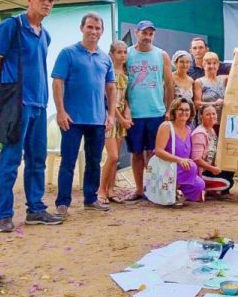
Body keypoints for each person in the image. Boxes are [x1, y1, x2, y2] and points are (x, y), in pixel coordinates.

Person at [0, 0, 64, 232]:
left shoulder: (45, 34)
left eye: (52, 0)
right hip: (17, 105)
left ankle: (36, 210)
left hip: (39, 105)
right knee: (10, 160)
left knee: (37, 160)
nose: (48, 3)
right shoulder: (11, 26)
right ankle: (3, 215)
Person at [51, 12, 116, 217]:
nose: (93, 32)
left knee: (94, 161)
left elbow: (111, 87)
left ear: (102, 31)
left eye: (97, 28)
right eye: (90, 27)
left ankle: (90, 199)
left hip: (97, 119)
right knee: (68, 161)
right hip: (72, 119)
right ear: (82, 28)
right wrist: (61, 111)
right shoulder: (68, 53)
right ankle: (63, 203)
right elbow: (57, 82)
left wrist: (111, 114)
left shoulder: (105, 58)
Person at [125, 20, 174, 202]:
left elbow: (170, 84)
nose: (147, 37)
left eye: (150, 34)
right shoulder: (127, 54)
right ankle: (139, 189)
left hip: (156, 113)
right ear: (136, 33)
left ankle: (154, 189)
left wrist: (168, 110)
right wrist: (125, 110)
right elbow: (120, 83)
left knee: (154, 153)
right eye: (144, 33)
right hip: (135, 114)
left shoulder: (161, 55)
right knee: (136, 153)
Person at [99, 41, 133, 204]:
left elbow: (125, 98)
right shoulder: (107, 71)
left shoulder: (125, 73)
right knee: (112, 156)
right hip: (109, 116)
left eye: (125, 52)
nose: (122, 55)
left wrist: (127, 116)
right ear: (112, 54)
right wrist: (120, 118)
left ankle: (111, 189)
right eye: (119, 52)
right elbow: (107, 99)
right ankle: (101, 189)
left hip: (121, 118)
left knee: (116, 157)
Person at [154, 98, 206, 202]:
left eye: (187, 110)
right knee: (192, 167)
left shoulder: (188, 129)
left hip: (181, 169)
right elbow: (158, 151)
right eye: (180, 109)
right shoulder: (166, 126)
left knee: (200, 184)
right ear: (174, 111)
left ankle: (176, 193)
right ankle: (167, 191)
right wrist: (179, 160)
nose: (184, 112)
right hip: (166, 168)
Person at [191, 105, 235, 195]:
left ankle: (212, 187)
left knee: (230, 169)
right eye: (208, 114)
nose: (212, 117)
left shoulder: (211, 130)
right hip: (200, 172)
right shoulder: (200, 133)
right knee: (227, 183)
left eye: (213, 114)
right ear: (201, 116)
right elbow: (196, 159)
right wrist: (212, 169)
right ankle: (202, 187)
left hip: (209, 168)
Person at [193, 52, 228, 131]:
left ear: (218, 65)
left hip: (223, 121)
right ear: (204, 65)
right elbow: (197, 103)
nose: (212, 66)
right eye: (209, 63)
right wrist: (214, 103)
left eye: (214, 63)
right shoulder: (199, 82)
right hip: (207, 122)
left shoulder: (224, 79)